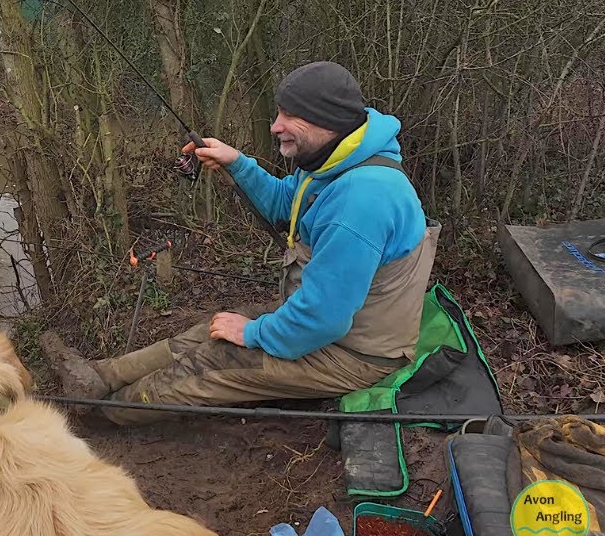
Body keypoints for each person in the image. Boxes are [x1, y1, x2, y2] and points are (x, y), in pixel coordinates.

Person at [41, 60, 441, 425]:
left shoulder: (361, 198)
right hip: (333, 326)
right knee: (210, 331)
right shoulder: (336, 159)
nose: (275, 125)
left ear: (326, 121)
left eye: (290, 115)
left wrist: (253, 334)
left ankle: (104, 417)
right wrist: (238, 163)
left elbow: (324, 318)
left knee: (214, 362)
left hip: (353, 354)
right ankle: (97, 378)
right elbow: (288, 204)